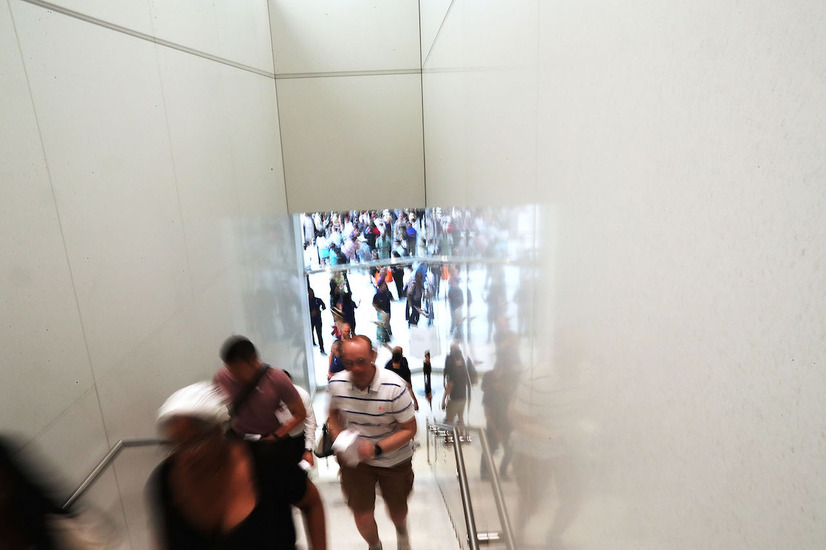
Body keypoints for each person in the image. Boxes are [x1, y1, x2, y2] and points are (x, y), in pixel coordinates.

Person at [148, 382, 326, 549]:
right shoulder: (166, 478)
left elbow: (311, 502)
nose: (184, 455)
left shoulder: (266, 462)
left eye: (194, 443)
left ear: (219, 432)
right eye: (174, 445)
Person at [327, 336, 417, 550]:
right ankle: (375, 546)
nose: (355, 368)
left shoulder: (394, 387)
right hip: (356, 461)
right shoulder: (337, 383)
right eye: (349, 363)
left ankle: (401, 531)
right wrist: (340, 440)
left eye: (361, 361)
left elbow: (410, 429)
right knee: (361, 513)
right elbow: (332, 416)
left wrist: (376, 449)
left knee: (397, 508)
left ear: (373, 357)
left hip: (394, 459)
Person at [213, 336, 306, 444]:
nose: (234, 375)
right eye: (230, 369)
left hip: (271, 441)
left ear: (253, 359)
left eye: (238, 369)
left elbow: (300, 413)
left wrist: (276, 435)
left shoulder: (277, 378)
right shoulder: (222, 377)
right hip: (242, 441)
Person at [277, 371, 318, 468]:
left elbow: (310, 423)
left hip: (298, 436)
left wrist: (308, 450)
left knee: (301, 473)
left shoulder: (302, 395)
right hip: (279, 438)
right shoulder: (270, 396)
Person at [441, 343, 474, 426]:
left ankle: (451, 437)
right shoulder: (463, 366)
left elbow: (450, 386)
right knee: (460, 417)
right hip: (463, 397)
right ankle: (462, 435)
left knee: (450, 421)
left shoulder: (452, 368)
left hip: (454, 399)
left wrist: (443, 400)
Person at [384, 347, 419, 411]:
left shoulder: (388, 366)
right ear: (400, 358)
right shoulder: (404, 366)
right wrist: (415, 401)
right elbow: (409, 387)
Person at [372, 280, 393, 346]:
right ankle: (382, 338)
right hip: (381, 312)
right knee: (382, 325)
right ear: (380, 287)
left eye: (385, 285)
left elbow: (392, 299)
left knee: (387, 323)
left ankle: (389, 333)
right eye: (384, 285)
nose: (385, 286)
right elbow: (373, 303)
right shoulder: (377, 295)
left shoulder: (388, 293)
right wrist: (379, 310)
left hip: (388, 311)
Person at [309, 288, 327, 355]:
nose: (310, 294)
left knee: (319, 334)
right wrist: (310, 313)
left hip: (317, 319)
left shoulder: (317, 300)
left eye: (311, 292)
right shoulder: (306, 301)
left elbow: (324, 307)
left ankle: (322, 349)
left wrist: (318, 311)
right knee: (310, 333)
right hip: (310, 320)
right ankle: (312, 343)